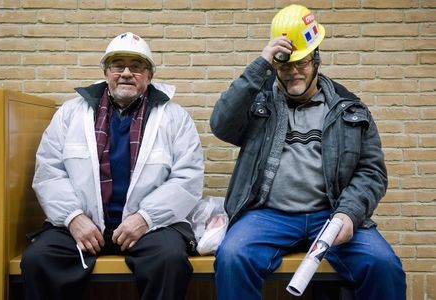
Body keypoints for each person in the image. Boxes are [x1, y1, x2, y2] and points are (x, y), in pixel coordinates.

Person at [210, 4, 406, 300]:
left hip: (331, 214)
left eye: (301, 62)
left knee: (383, 264)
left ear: (317, 60)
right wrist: (261, 64)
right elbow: (220, 124)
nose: (293, 73)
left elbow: (371, 172)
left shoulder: (349, 109)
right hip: (267, 215)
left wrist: (349, 215)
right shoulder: (258, 103)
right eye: (285, 64)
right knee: (232, 257)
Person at [21, 32, 204, 300]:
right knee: (38, 260)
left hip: (150, 227)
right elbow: (49, 172)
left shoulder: (176, 118)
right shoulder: (71, 113)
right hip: (82, 224)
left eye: (137, 66)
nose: (127, 73)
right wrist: (73, 218)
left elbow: (187, 177)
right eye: (118, 65)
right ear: (107, 72)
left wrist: (145, 218)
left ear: (149, 75)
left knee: (170, 261)